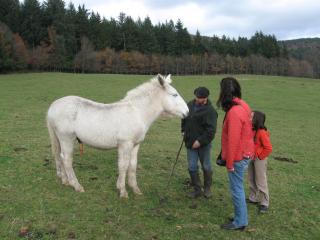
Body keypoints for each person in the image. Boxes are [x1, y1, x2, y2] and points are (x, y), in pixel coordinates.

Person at [217, 77, 254, 231]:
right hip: (246, 152)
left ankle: (240, 222)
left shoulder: (234, 113)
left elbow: (233, 141)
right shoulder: (243, 105)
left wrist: (230, 163)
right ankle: (241, 216)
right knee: (238, 188)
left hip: (238, 156)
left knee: (237, 189)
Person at [181, 87, 218, 198]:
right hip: (189, 142)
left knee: (206, 166)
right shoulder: (189, 105)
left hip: (204, 145)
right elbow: (184, 118)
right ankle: (197, 189)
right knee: (192, 167)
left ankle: (207, 188)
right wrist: (183, 130)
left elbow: (211, 131)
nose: (197, 99)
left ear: (205, 98)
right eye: (196, 97)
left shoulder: (211, 111)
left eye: (200, 98)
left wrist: (200, 141)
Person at [247, 111, 272, 213]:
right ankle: (253, 198)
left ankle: (264, 202)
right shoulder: (252, 130)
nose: (249, 118)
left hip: (259, 159)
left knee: (260, 180)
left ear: (257, 120)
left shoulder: (261, 132)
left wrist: (259, 156)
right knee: (251, 178)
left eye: (251, 117)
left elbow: (268, 148)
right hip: (251, 157)